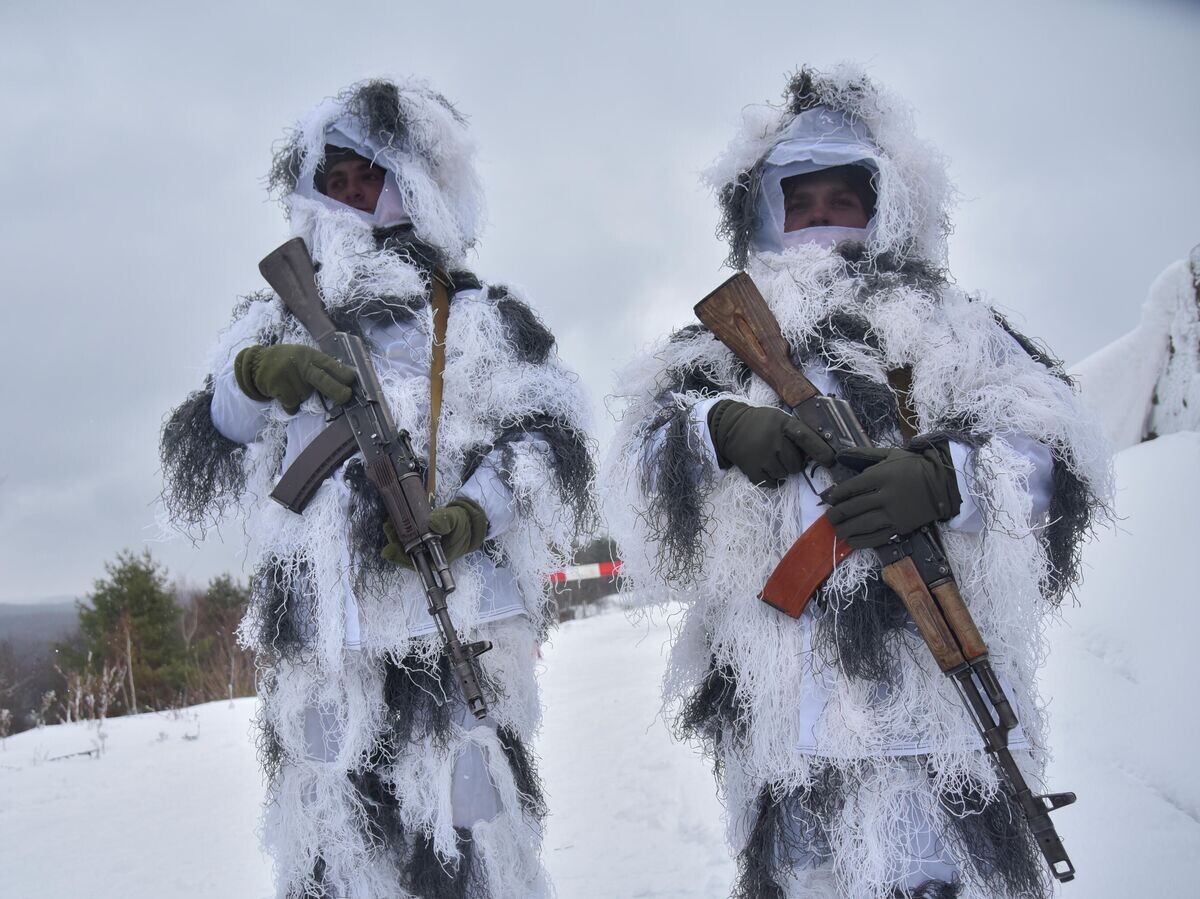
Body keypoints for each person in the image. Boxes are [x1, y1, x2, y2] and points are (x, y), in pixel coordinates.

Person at [603, 65, 1109, 899]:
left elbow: (1060, 450)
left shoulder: (953, 324)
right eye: (798, 201)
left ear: (882, 207)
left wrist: (952, 478)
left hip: (933, 709)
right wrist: (718, 430)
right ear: (764, 209)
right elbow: (633, 468)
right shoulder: (715, 349)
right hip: (786, 725)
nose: (818, 220)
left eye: (841, 200)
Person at [161, 78, 594, 899]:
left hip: (454, 621)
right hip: (325, 639)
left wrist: (473, 514)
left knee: (471, 840)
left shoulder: (475, 316)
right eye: (338, 181)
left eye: (371, 176)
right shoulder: (277, 317)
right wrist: (256, 374)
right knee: (336, 844)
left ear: (416, 183)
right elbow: (209, 435)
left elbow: (550, 435)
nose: (355, 196)